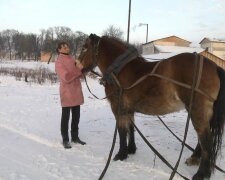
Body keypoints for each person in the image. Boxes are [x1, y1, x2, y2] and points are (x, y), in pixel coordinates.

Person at [55, 42, 86, 149]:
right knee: (66, 117)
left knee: (76, 117)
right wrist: (78, 71)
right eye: (64, 47)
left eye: (68, 46)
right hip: (67, 92)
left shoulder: (73, 58)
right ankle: (65, 139)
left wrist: (82, 70)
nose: (67, 48)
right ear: (59, 50)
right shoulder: (59, 61)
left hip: (76, 90)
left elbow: (80, 74)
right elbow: (66, 77)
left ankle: (75, 137)